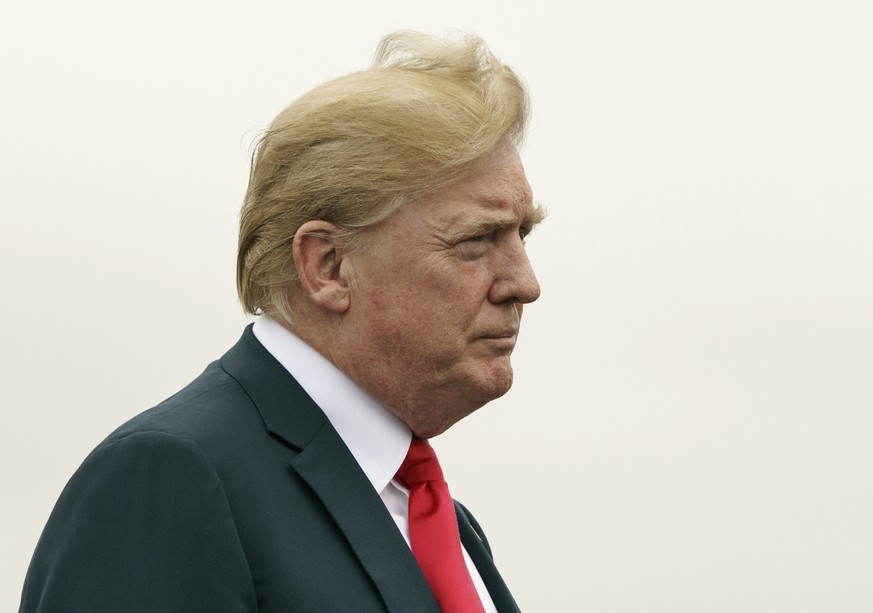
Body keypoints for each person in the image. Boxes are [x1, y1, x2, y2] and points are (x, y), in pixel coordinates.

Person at [20, 31, 544, 613]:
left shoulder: (438, 521)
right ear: (329, 266)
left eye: (522, 235)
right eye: (476, 241)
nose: (524, 283)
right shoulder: (170, 481)